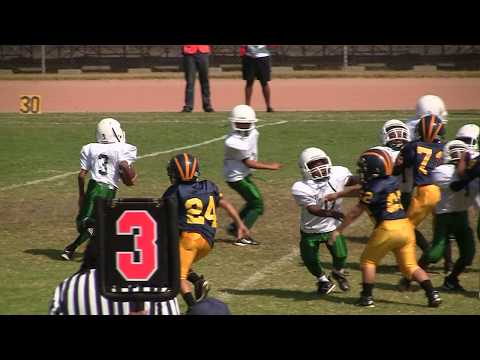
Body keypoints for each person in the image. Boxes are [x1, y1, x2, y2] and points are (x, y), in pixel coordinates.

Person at [329, 147, 442, 308]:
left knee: (368, 261)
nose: (362, 171)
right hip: (406, 228)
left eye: (364, 168)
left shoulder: (371, 188)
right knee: (410, 266)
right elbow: (362, 190)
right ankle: (432, 294)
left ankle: (366, 297)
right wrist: (338, 194)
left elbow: (355, 212)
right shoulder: (390, 181)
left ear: (374, 170)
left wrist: (338, 230)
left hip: (387, 229)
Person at [162, 152, 249, 310]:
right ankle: (197, 281)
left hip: (189, 240)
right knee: (172, 261)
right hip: (208, 242)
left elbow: (162, 215)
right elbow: (225, 203)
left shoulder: (174, 191)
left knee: (176, 276)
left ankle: (194, 308)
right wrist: (240, 223)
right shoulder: (209, 186)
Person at [61, 118, 137, 261]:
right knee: (98, 223)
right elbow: (126, 168)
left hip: (93, 187)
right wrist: (130, 178)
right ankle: (73, 248)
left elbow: (81, 176)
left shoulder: (90, 148)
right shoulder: (122, 148)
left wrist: (81, 195)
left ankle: (73, 248)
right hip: (108, 190)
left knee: (88, 222)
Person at [291, 147, 358, 294]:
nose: (320, 167)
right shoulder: (300, 187)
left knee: (341, 254)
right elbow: (312, 209)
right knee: (309, 259)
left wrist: (367, 177)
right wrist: (331, 213)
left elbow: (351, 180)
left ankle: (337, 272)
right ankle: (323, 281)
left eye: (322, 162)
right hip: (311, 229)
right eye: (314, 165)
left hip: (332, 227)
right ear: (305, 168)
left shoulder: (338, 172)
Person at [417, 140, 477, 291]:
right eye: (455, 153)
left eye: (461, 154)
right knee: (434, 254)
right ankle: (412, 274)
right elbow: (456, 186)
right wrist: (469, 172)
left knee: (468, 254)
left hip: (462, 216)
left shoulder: (472, 172)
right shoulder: (443, 171)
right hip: (445, 217)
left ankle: (451, 280)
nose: (458, 157)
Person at [394, 114, 445, 290]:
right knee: (442, 229)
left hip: (426, 191)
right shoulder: (443, 147)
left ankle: (408, 273)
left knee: (405, 229)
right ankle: (449, 266)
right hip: (442, 192)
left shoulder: (413, 146)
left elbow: (401, 166)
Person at [223, 105, 282, 246]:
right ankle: (242, 235)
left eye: (246, 123)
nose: (243, 126)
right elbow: (249, 162)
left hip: (242, 174)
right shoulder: (233, 142)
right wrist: (271, 167)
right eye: (240, 123)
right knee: (257, 205)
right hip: (236, 177)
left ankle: (234, 227)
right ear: (233, 122)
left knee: (252, 202)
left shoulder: (253, 133)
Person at [240, 45, 275, 112]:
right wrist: (243, 52)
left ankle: (268, 106)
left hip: (263, 57)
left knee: (264, 82)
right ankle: (247, 106)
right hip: (249, 57)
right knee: (249, 82)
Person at [181, 45, 214, 113]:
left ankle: (207, 105)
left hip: (203, 51)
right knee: (190, 81)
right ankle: (188, 106)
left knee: (205, 81)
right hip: (189, 52)